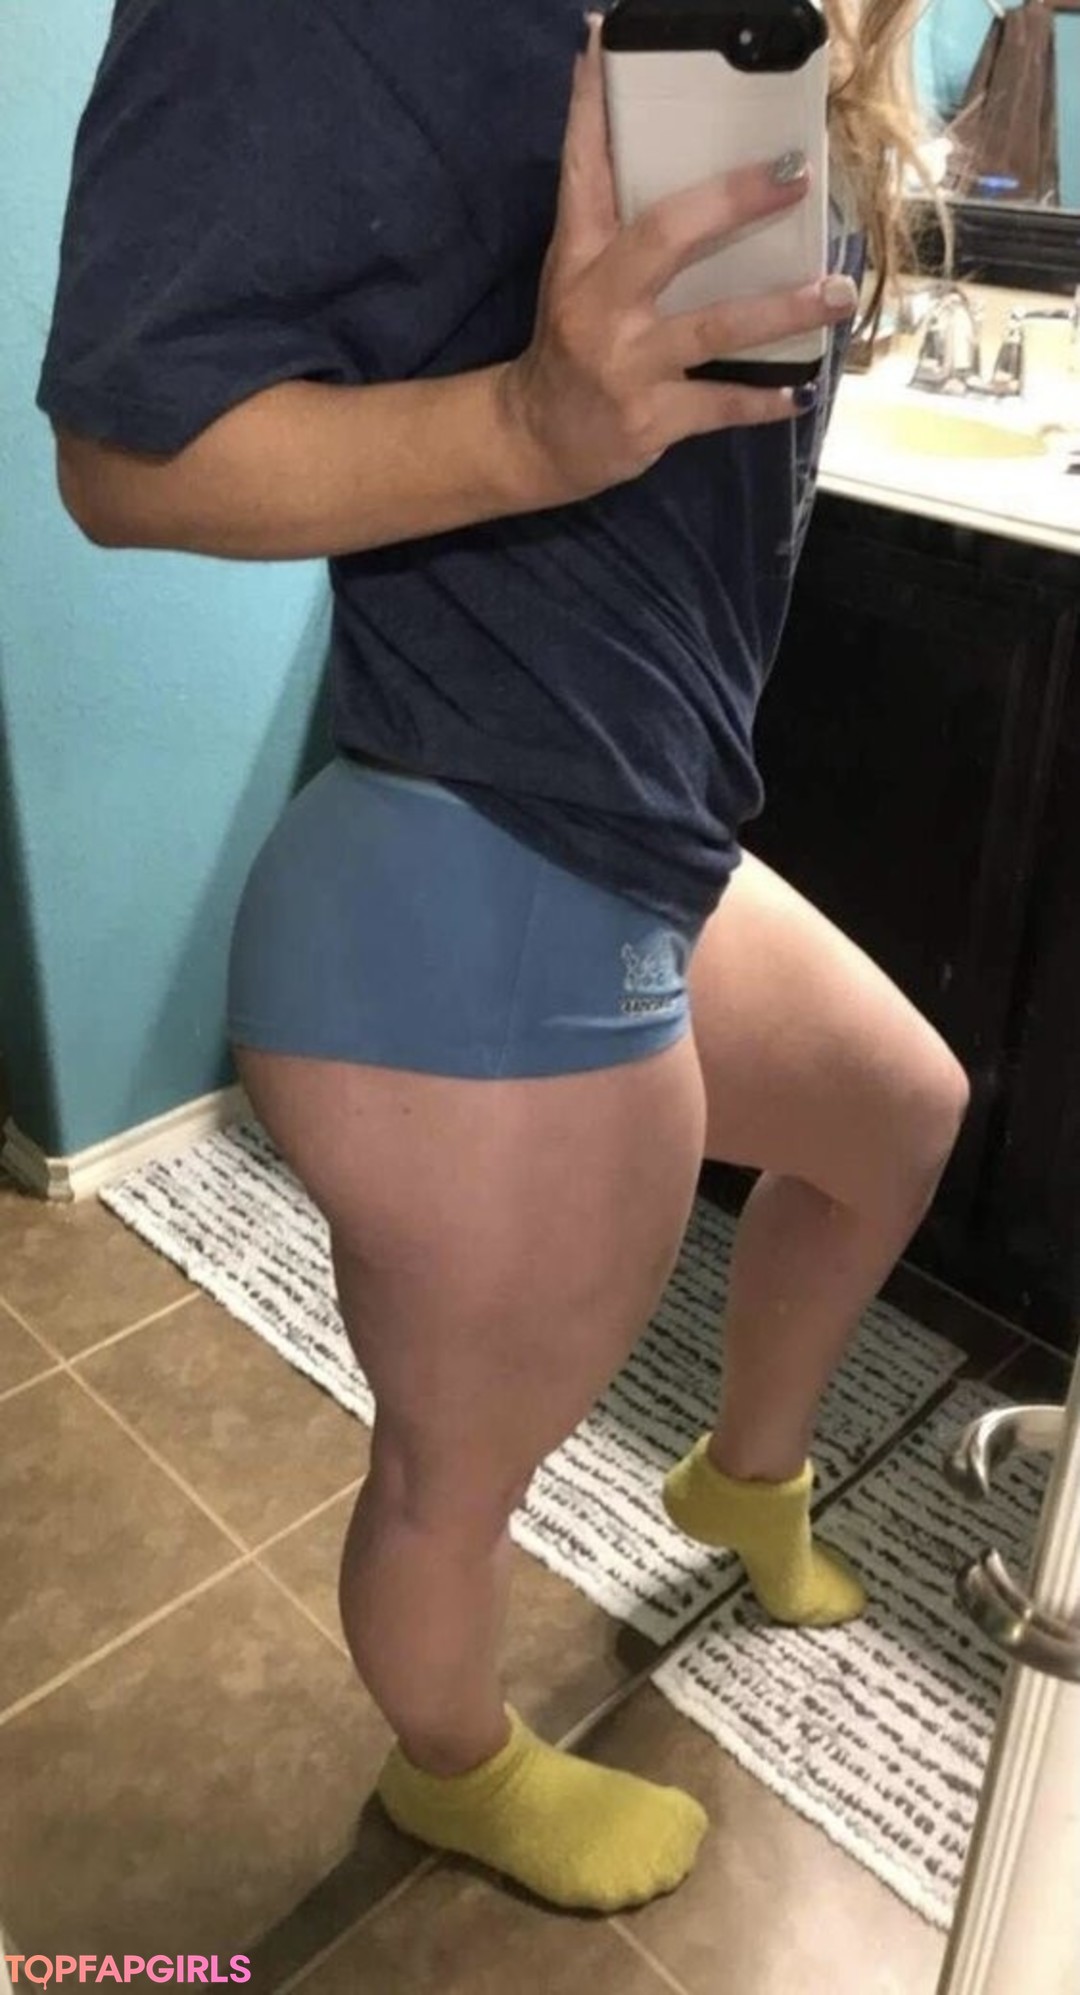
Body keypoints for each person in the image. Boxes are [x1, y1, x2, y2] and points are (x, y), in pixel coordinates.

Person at [39, 0, 969, 1916]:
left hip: (636, 841)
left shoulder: (759, 47)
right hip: (473, 885)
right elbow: (126, 459)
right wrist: (531, 422)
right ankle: (452, 1764)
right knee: (455, 1480)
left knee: (896, 1118)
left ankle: (748, 1477)